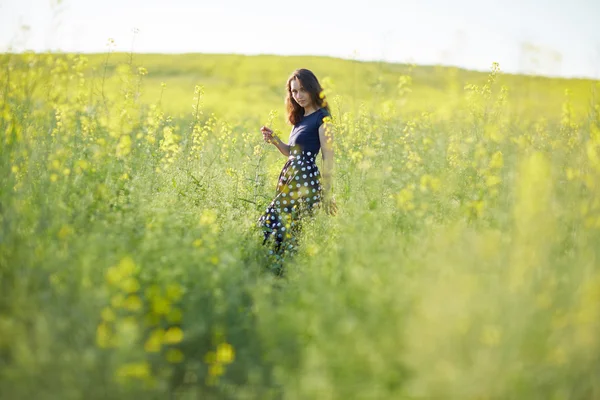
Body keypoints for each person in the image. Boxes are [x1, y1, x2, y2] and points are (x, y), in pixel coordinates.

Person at [257, 68, 337, 267]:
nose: (298, 96)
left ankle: (284, 270)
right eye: (294, 91)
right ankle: (280, 270)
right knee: (283, 226)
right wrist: (275, 140)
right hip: (291, 178)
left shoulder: (322, 117)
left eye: (302, 90)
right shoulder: (299, 119)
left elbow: (328, 157)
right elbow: (291, 152)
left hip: (305, 180)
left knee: (278, 223)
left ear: (312, 89)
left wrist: (326, 194)